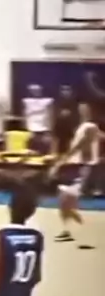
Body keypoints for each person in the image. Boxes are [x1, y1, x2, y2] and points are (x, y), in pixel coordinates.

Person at [49, 102, 102, 247]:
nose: (82, 112)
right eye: (80, 109)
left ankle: (87, 232)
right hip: (76, 166)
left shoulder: (90, 126)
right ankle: (68, 231)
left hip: (83, 167)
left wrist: (62, 161)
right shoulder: (84, 127)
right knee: (64, 201)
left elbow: (83, 145)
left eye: (85, 109)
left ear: (90, 112)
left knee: (67, 201)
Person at [22, 84, 53, 154]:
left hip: (44, 127)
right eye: (33, 90)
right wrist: (25, 126)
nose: (35, 92)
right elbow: (24, 114)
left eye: (37, 90)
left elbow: (51, 114)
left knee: (45, 146)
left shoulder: (48, 101)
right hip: (31, 127)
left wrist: (50, 128)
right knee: (31, 147)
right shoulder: (26, 101)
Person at [51, 84, 78, 157]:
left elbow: (77, 114)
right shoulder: (56, 102)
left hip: (71, 126)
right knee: (56, 142)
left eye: (67, 90)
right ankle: (54, 156)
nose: (65, 92)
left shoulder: (75, 102)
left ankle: (70, 157)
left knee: (71, 141)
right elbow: (53, 114)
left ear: (71, 91)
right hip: (59, 125)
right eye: (63, 90)